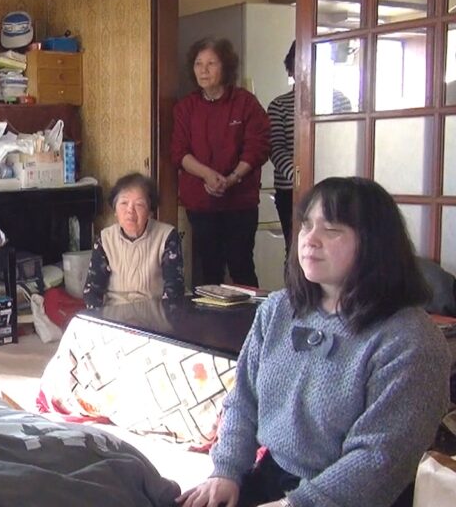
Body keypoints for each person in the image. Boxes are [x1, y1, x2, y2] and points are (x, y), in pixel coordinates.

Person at [177, 177, 451, 507]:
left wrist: (295, 504)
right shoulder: (279, 308)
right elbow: (243, 400)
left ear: (375, 243)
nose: (310, 239)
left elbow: (379, 457)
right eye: (307, 225)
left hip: (355, 497)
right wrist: (226, 471)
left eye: (331, 229)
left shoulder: (411, 339)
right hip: (272, 478)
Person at [172, 37, 270, 287]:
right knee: (209, 270)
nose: (203, 70)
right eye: (198, 64)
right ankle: (208, 314)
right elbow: (179, 152)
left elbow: (258, 147)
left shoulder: (245, 103)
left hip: (240, 201)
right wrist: (207, 174)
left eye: (211, 64)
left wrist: (232, 178)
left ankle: (254, 313)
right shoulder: (186, 107)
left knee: (242, 266)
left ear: (225, 67)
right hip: (201, 203)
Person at [267, 41, 352, 256]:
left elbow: (347, 144)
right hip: (291, 190)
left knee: (336, 250)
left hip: (335, 189)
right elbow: (275, 148)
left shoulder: (340, 101)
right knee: (296, 250)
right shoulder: (279, 105)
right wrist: (301, 178)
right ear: (291, 68)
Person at [82, 172, 184, 307]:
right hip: (114, 313)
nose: (130, 210)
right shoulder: (105, 239)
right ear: (115, 210)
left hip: (154, 314)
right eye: (124, 203)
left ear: (150, 211)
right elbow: (92, 291)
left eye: (139, 204)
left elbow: (174, 291)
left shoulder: (167, 237)